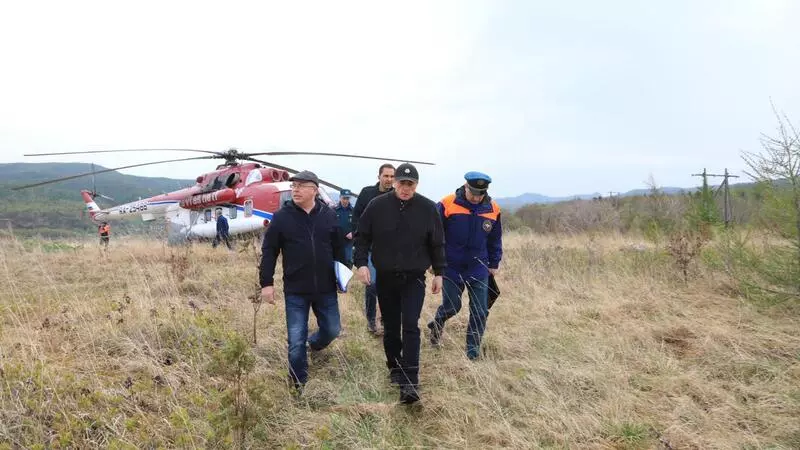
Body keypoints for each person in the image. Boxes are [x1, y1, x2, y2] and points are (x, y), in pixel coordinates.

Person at [353, 162, 445, 404]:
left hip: (414, 278)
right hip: (386, 277)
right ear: (394, 183)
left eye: (410, 184)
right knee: (392, 326)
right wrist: (362, 263)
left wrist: (439, 272)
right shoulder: (376, 206)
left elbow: (437, 242)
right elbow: (362, 237)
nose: (405, 188)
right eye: (401, 183)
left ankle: (410, 380)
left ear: (416, 185)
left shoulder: (427, 208)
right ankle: (394, 366)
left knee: (411, 325)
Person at [260, 170, 348, 395]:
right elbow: (269, 251)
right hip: (296, 290)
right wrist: (266, 283)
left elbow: (338, 248)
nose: (295, 189)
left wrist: (343, 275)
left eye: (301, 186)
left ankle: (315, 344)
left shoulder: (328, 215)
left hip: (326, 288)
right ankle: (299, 387)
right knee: (295, 341)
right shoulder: (281, 217)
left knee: (332, 329)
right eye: (293, 186)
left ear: (314, 190)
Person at [428, 171, 503, 360]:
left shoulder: (493, 208)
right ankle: (437, 323)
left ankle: (472, 351)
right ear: (465, 187)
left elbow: (495, 238)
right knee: (452, 306)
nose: (477, 198)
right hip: (451, 267)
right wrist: (434, 262)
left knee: (480, 310)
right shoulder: (447, 204)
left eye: (481, 194)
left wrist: (494, 262)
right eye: (473, 193)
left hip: (479, 268)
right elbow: (434, 235)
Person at [352, 163, 395, 335]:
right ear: (379, 177)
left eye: (392, 176)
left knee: (390, 286)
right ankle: (371, 321)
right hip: (370, 248)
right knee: (372, 285)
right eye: (386, 176)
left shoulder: (397, 196)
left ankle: (385, 319)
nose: (389, 179)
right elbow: (356, 217)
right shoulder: (367, 193)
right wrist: (358, 240)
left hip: (391, 250)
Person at [334, 189, 355, 265]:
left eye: (347, 198)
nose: (346, 200)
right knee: (336, 261)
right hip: (336, 241)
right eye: (344, 198)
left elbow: (358, 225)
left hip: (348, 242)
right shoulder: (334, 210)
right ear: (340, 197)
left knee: (347, 261)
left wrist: (353, 233)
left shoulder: (354, 211)